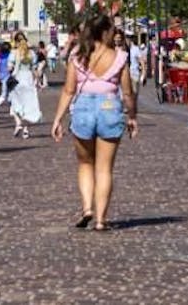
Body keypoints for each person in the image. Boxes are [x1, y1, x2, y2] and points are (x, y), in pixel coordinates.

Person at [51, 14, 138, 231]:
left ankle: (87, 208)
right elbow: (127, 93)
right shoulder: (119, 57)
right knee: (104, 168)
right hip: (110, 108)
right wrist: (132, 116)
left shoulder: (77, 55)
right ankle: (100, 219)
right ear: (106, 32)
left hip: (83, 109)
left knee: (85, 163)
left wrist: (58, 119)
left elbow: (68, 90)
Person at [8, 33, 42, 138]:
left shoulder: (14, 53)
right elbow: (35, 69)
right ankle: (26, 130)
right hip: (28, 79)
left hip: (17, 79)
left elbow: (9, 68)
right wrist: (38, 81)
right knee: (28, 105)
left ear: (16, 42)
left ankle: (18, 123)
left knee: (15, 103)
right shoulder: (31, 53)